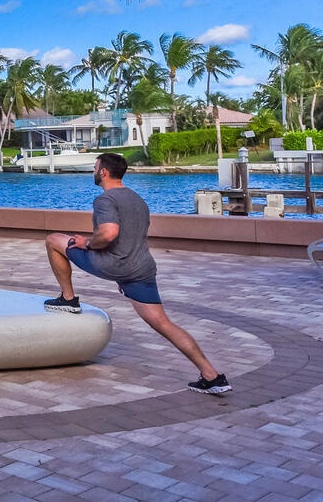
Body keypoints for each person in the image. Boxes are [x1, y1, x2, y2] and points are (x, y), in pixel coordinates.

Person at [43, 152, 231, 395]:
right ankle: (212, 376)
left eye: (95, 167)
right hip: (141, 269)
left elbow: (109, 233)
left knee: (54, 240)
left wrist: (87, 243)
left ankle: (68, 299)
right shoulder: (137, 199)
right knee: (163, 323)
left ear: (103, 172)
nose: (94, 171)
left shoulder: (105, 200)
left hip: (112, 264)